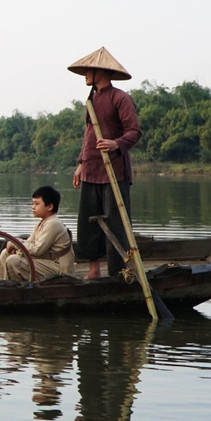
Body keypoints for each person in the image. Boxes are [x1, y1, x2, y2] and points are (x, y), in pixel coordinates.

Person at [69, 46, 141, 279]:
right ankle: (93, 269)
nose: (85, 76)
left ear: (99, 72)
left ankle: (118, 272)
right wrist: (81, 163)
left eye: (88, 71)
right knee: (88, 223)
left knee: (115, 223)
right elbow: (89, 135)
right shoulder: (91, 99)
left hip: (114, 171)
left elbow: (134, 132)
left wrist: (115, 144)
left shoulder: (120, 98)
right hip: (91, 169)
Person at [0, 185, 76, 281]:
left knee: (13, 261)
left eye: (36, 204)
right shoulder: (42, 222)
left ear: (50, 206)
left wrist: (16, 244)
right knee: (5, 253)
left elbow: (37, 250)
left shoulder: (53, 223)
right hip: (46, 261)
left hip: (60, 268)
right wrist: (17, 244)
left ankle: (15, 289)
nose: (33, 207)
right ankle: (2, 284)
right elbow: (30, 242)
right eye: (32, 203)